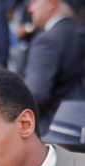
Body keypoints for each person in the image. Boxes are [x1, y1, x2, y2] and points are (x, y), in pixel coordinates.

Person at [24, 0, 85, 136]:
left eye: (34, 2)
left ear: (52, 3)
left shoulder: (47, 40)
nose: (30, 9)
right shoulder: (79, 31)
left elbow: (35, 95)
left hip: (57, 132)